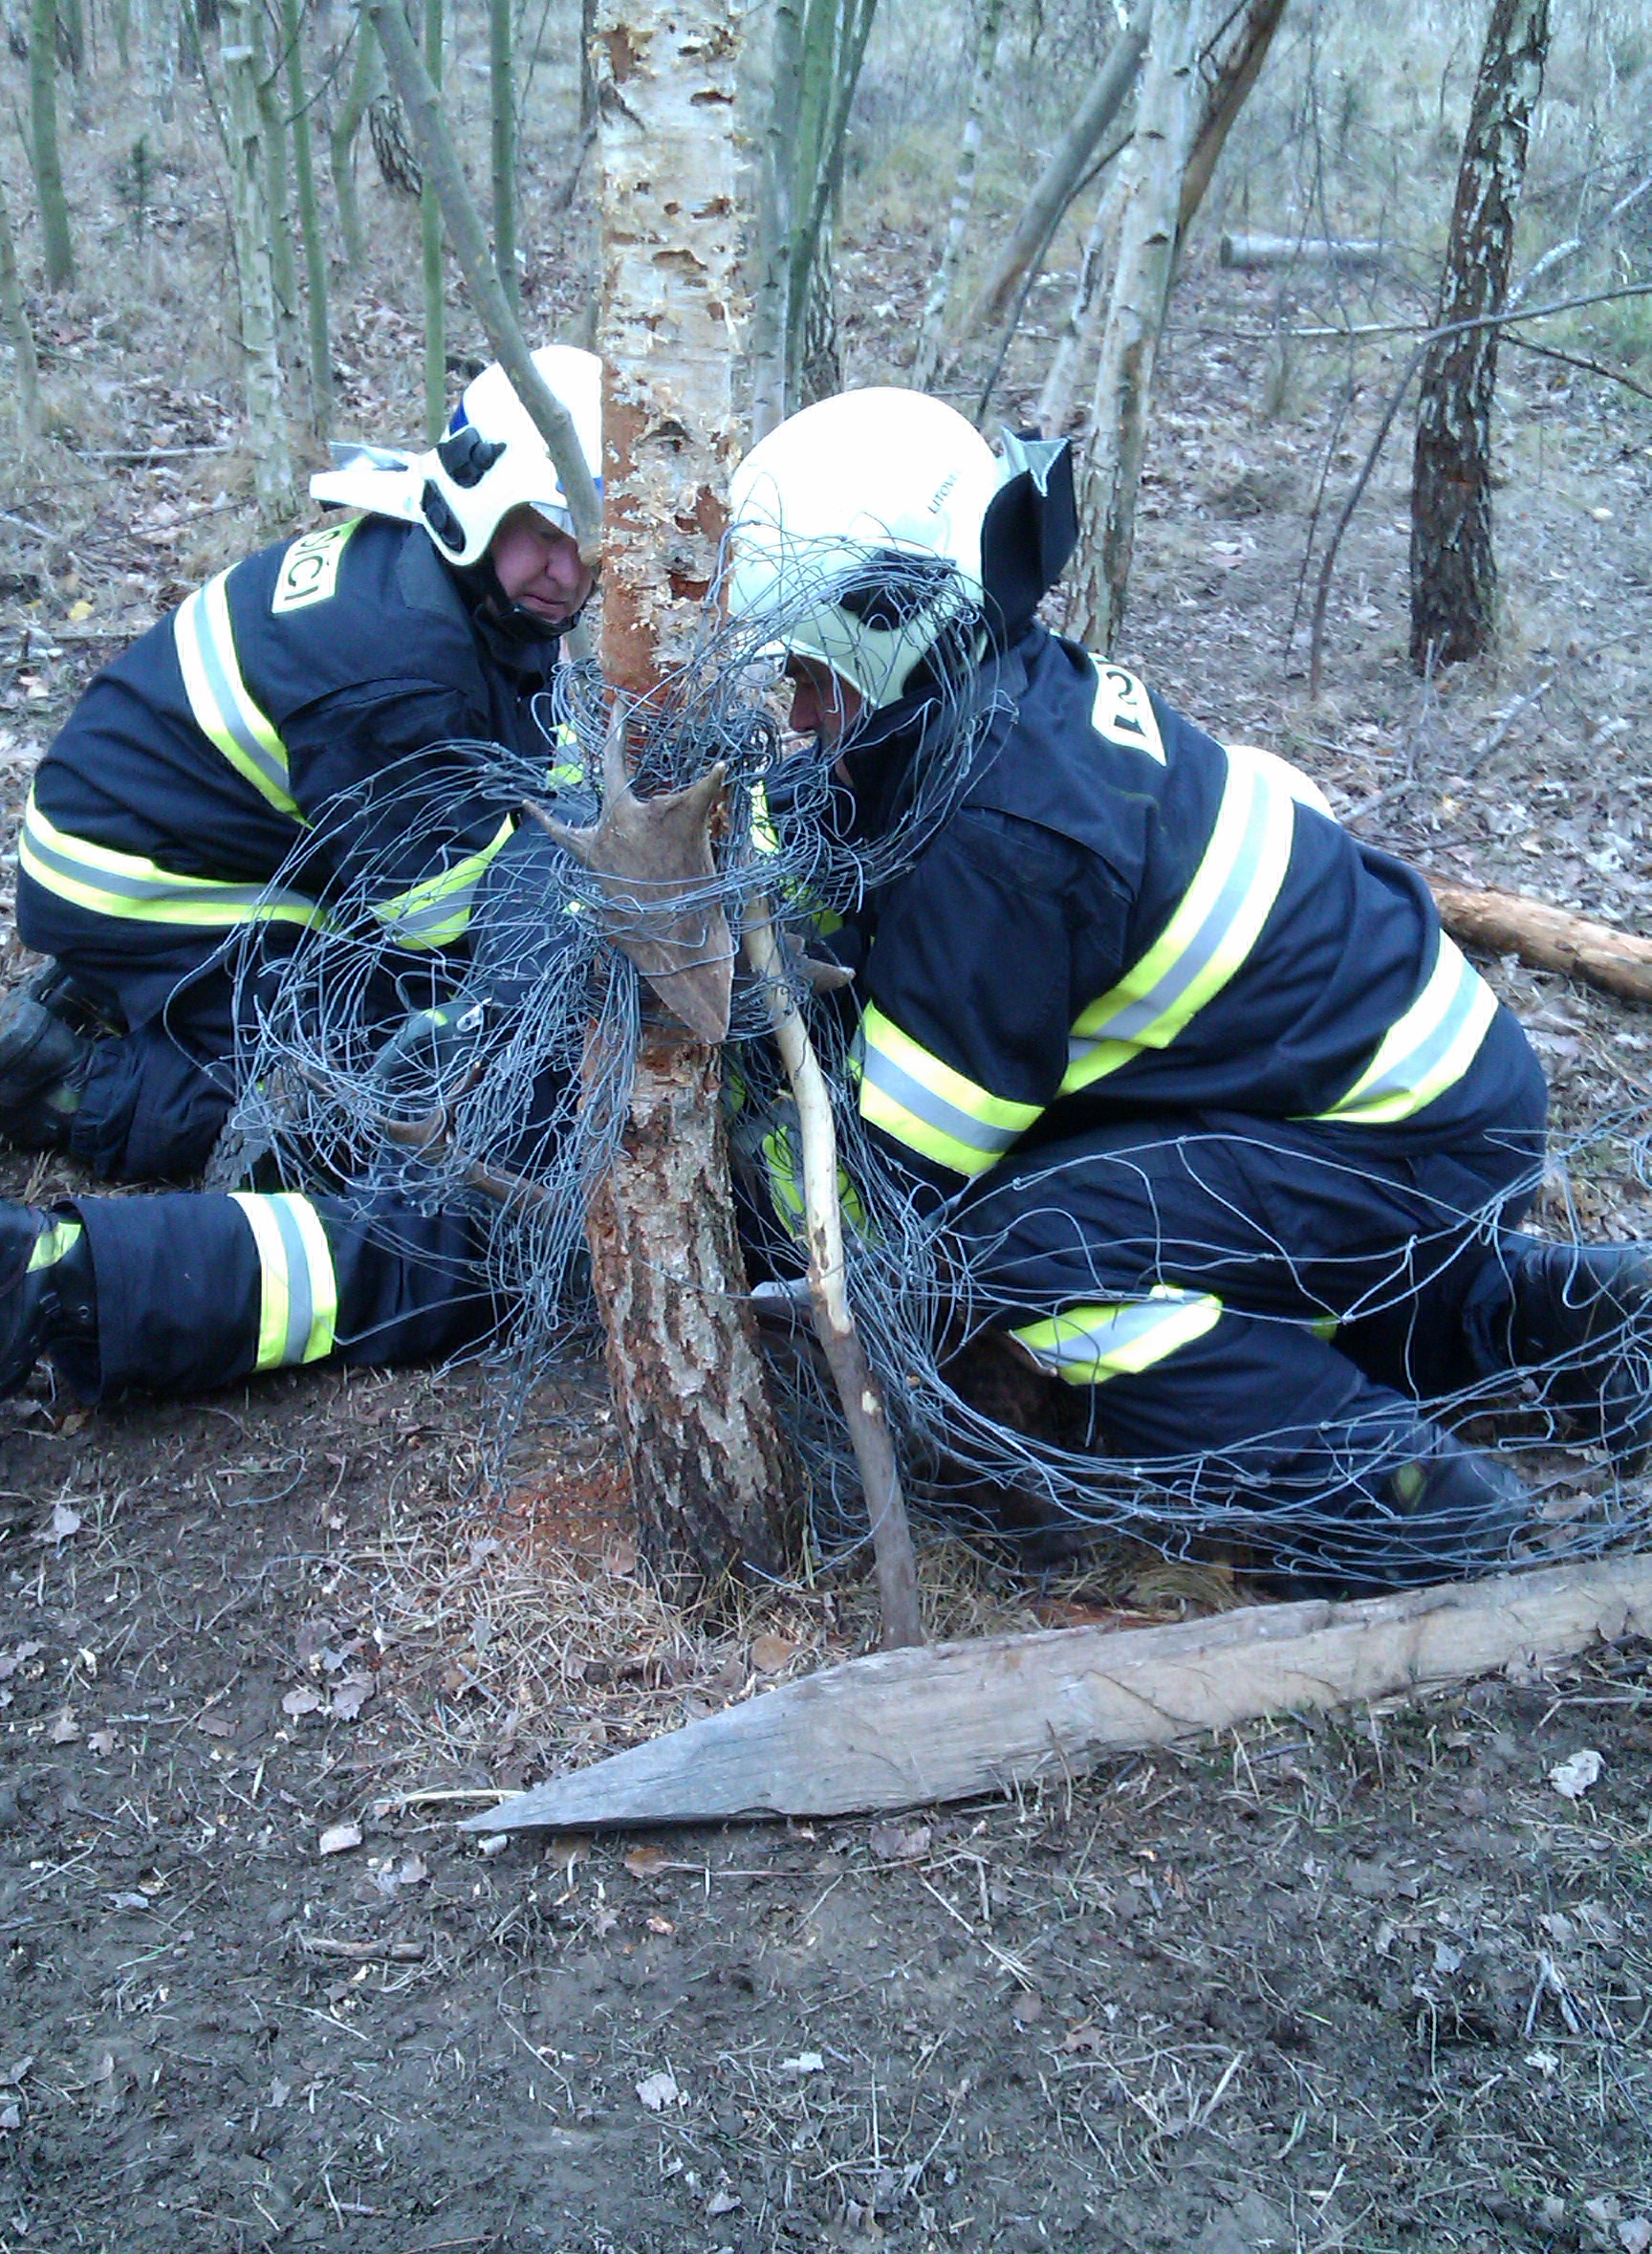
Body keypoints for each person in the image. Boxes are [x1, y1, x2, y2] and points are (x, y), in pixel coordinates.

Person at [1, 385, 1645, 1588]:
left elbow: (892, 1197)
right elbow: (812, 882)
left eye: (798, 657)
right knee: (463, 1217)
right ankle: (1565, 1328)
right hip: (1342, 1085)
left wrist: (708, 1171)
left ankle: (1398, 1504)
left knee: (1040, 1261)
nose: (780, 692)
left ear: (881, 612)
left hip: (1386, 1130)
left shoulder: (1001, 836)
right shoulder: (953, 710)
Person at [0, 345, 601, 1185]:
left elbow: (536, 755)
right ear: (482, 501)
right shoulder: (401, 671)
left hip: (201, 829)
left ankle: (135, 993)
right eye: (546, 532)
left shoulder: (449, 572)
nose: (570, 575)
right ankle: (65, 1085)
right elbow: (442, 929)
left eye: (590, 538)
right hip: (126, 878)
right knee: (362, 1067)